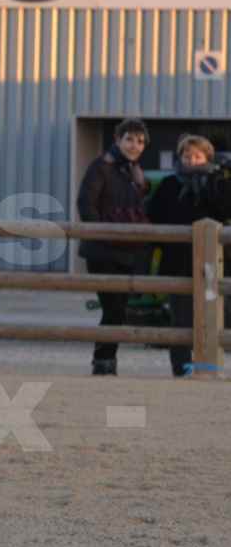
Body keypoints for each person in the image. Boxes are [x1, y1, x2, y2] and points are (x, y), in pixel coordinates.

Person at [146, 134, 231, 376]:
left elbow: (224, 210)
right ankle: (181, 369)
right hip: (177, 262)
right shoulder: (169, 184)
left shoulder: (219, 183)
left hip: (216, 265)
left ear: (207, 157)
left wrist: (212, 186)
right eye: (187, 156)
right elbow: (155, 216)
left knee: (215, 316)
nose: (192, 160)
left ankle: (210, 366)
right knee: (180, 319)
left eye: (197, 156)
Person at [76, 118, 151, 375]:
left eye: (140, 141)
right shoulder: (101, 167)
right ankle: (103, 361)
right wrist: (104, 234)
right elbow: (86, 205)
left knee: (119, 308)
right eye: (129, 139)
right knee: (112, 307)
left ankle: (107, 360)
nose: (135, 145)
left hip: (128, 250)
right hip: (103, 250)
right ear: (117, 140)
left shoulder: (136, 172)